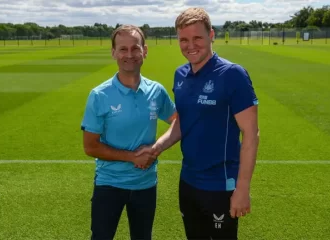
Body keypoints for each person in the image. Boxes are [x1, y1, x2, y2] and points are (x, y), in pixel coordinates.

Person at [136, 7, 259, 240]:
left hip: (221, 185)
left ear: (211, 35)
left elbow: (251, 133)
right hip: (188, 183)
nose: (190, 45)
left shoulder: (233, 74)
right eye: (183, 39)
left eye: (197, 38)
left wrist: (242, 188)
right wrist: (156, 148)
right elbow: (183, 122)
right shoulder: (180, 75)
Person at [80, 24, 176, 240]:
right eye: (123, 49)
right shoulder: (99, 95)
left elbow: (177, 120)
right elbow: (90, 146)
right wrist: (132, 157)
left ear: (145, 51)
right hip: (109, 184)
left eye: (135, 48)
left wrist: (156, 148)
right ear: (114, 53)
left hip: (146, 184)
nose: (129, 54)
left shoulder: (156, 91)